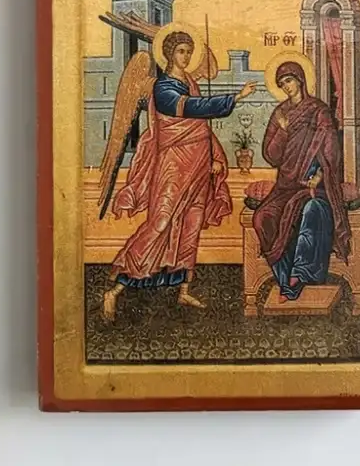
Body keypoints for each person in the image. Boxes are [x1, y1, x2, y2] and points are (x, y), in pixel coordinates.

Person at [103, 31, 256, 319]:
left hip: (198, 164)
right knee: (160, 222)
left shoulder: (191, 83)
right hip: (173, 165)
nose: (185, 57)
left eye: (189, 51)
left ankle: (183, 289)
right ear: (170, 54)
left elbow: (201, 127)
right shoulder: (163, 88)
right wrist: (234, 97)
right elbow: (191, 109)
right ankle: (116, 289)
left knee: (191, 225)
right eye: (181, 51)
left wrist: (214, 157)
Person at [252, 61, 351, 301]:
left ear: (300, 79)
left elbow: (331, 151)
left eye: (289, 80)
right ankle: (285, 278)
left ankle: (300, 275)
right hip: (286, 186)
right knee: (262, 217)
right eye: (281, 83)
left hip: (317, 186)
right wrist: (283, 130)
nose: (286, 86)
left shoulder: (319, 111)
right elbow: (271, 156)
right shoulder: (280, 113)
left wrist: (319, 176)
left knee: (311, 210)